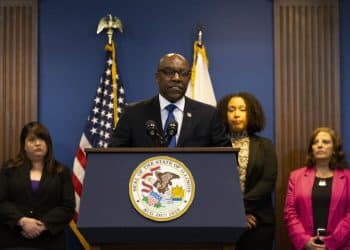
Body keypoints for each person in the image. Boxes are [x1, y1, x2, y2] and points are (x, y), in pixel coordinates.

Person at [109, 53, 229, 147]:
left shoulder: (208, 115)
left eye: (183, 73)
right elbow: (114, 156)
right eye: (169, 72)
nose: (177, 78)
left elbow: (225, 159)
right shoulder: (133, 113)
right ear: (157, 77)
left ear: (189, 78)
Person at [0, 121, 75, 250]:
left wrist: (41, 225)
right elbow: (1, 202)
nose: (37, 143)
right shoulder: (8, 170)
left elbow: (68, 207)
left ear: (48, 144)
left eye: (42, 139)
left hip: (50, 242)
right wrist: (22, 221)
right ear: (24, 145)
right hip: (14, 241)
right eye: (32, 140)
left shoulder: (62, 172)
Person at [217, 92, 277, 250]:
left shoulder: (265, 146)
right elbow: (211, 184)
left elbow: (267, 182)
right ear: (224, 114)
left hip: (258, 222)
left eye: (242, 110)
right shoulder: (214, 146)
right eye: (231, 110)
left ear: (251, 114)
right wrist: (234, 214)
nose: (236, 114)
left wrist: (241, 210)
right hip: (221, 221)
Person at [284, 127, 350, 250]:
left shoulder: (348, 178)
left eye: (325, 142)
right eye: (315, 142)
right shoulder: (296, 176)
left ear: (334, 149)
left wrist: (332, 242)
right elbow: (290, 212)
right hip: (306, 246)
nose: (319, 145)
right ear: (311, 149)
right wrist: (305, 241)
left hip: (341, 246)